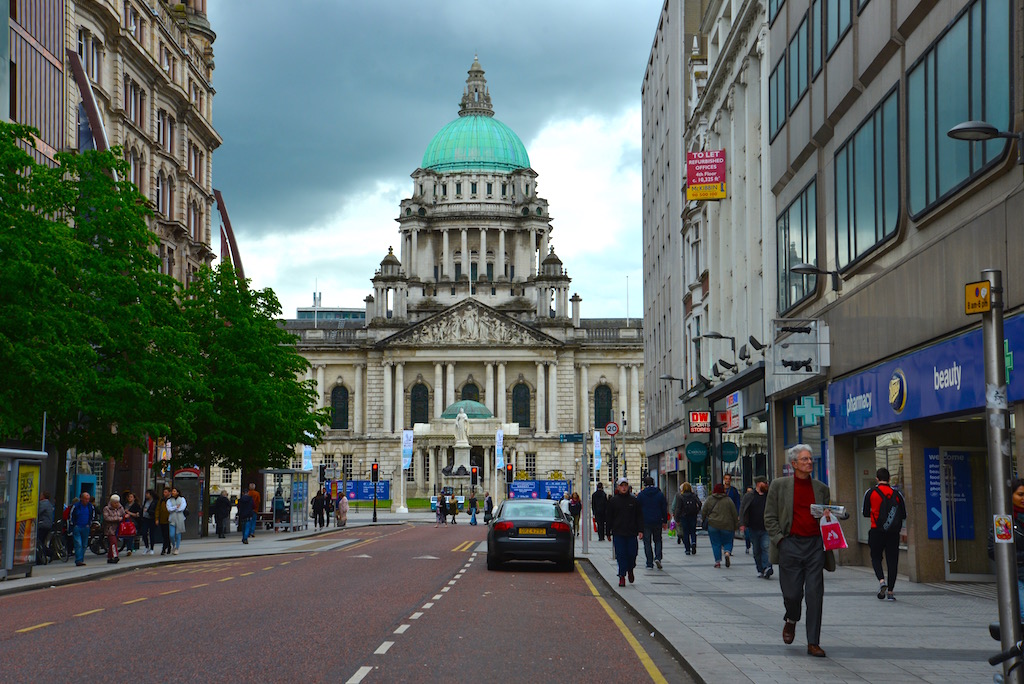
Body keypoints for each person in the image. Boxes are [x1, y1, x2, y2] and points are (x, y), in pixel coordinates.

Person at [764, 444, 836, 658]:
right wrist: (780, 540)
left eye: (810, 459)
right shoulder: (779, 486)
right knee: (792, 594)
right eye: (804, 459)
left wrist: (830, 517)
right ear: (794, 464)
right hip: (790, 545)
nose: (809, 462)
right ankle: (791, 618)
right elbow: (769, 517)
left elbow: (828, 516)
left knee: (815, 595)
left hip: (815, 546)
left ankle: (813, 642)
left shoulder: (821, 488)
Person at [863, 467, 906, 600]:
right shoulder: (897, 494)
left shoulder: (870, 492)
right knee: (892, 561)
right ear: (889, 479)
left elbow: (865, 513)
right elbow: (903, 514)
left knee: (876, 557)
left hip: (876, 530)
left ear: (877, 479)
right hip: (893, 532)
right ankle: (891, 592)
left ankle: (882, 581)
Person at [988, 478, 1024, 622]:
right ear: (1011, 495)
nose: (1023, 498)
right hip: (1017, 575)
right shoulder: (1004, 521)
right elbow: (995, 551)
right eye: (1020, 494)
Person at [606, 476, 644, 587]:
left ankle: (630, 569)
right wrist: (608, 532)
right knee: (621, 555)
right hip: (618, 532)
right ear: (618, 487)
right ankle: (622, 576)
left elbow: (639, 516)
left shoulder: (634, 501)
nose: (623, 488)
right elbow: (609, 518)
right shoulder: (613, 501)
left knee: (632, 554)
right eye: (621, 486)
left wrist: (641, 530)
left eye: (625, 485)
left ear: (628, 487)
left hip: (631, 533)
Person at [740, 477, 773, 578]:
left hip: (766, 528)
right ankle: (760, 569)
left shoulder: (769, 495)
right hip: (753, 528)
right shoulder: (749, 496)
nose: (766, 485)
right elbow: (743, 510)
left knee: (766, 547)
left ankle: (767, 567)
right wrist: (742, 524)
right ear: (758, 484)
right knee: (756, 551)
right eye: (764, 483)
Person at [703, 483, 739, 569]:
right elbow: (734, 513)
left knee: (715, 543)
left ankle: (717, 562)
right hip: (727, 525)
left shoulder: (709, 499)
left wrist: (704, 520)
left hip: (713, 525)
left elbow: (704, 511)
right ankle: (727, 552)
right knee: (728, 541)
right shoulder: (728, 500)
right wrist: (736, 525)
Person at [636, 476, 669, 569]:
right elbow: (664, 508)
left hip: (645, 521)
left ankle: (649, 563)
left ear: (644, 484)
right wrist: (665, 521)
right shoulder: (659, 494)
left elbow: (637, 510)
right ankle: (658, 557)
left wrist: (638, 523)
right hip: (657, 520)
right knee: (658, 540)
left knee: (647, 542)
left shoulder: (641, 495)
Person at [672, 482, 701, 555]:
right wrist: (697, 511)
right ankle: (693, 542)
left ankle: (687, 549)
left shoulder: (680, 496)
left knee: (686, 532)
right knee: (693, 531)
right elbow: (699, 503)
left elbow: (678, 508)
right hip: (693, 515)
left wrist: (677, 518)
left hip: (684, 516)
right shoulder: (694, 495)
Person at [69, 491, 95, 566]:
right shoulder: (76, 506)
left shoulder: (90, 506)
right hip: (77, 526)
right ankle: (78, 560)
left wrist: (89, 524)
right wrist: (73, 525)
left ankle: (81, 558)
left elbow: (92, 515)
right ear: (81, 499)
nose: (87, 501)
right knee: (78, 543)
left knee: (84, 544)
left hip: (86, 527)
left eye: (88, 499)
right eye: (85, 499)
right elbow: (71, 515)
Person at [102, 494, 124, 564]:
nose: (116, 504)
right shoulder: (106, 509)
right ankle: (115, 556)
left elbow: (123, 515)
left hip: (118, 529)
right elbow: (106, 518)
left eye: (117, 502)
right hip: (110, 529)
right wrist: (117, 519)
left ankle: (110, 557)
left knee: (113, 543)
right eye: (115, 503)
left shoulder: (120, 508)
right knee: (113, 543)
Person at [166, 487, 186, 555]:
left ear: (177, 492)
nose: (173, 492)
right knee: (171, 535)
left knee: (178, 534)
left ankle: (177, 548)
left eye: (174, 491)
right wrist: (175, 507)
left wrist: (175, 509)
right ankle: (173, 545)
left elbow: (182, 508)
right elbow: (169, 509)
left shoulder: (182, 499)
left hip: (180, 518)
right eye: (172, 491)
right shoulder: (169, 500)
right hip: (172, 519)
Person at [37, 491, 54, 565]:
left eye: (41, 495)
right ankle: (46, 554)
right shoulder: (49, 503)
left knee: (39, 541)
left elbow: (37, 512)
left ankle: (48, 553)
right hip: (48, 525)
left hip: (42, 525)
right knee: (42, 541)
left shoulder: (43, 503)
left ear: (43, 496)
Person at [122, 492, 141, 556]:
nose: (129, 498)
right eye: (128, 497)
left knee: (130, 535)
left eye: (131, 497)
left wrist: (129, 513)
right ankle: (128, 547)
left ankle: (129, 549)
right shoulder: (125, 504)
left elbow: (137, 515)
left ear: (134, 498)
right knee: (125, 535)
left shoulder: (136, 505)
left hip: (132, 522)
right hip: (125, 522)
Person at [139, 489, 157, 554]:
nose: (146, 495)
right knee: (144, 532)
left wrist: (148, 511)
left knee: (152, 534)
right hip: (145, 518)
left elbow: (155, 511)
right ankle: (146, 546)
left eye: (147, 494)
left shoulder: (155, 502)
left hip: (152, 519)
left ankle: (152, 548)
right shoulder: (145, 501)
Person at [156, 488, 171, 556]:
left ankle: (165, 548)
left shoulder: (171, 500)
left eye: (166, 492)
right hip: (162, 520)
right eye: (164, 492)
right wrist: (157, 518)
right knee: (164, 535)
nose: (164, 493)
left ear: (169, 493)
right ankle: (167, 546)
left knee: (167, 535)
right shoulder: (161, 500)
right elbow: (157, 509)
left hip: (169, 520)